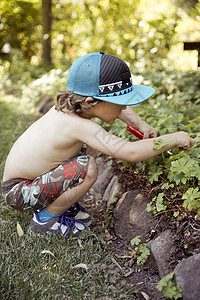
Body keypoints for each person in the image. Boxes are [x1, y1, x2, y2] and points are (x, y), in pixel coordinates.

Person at [2, 52, 195, 238]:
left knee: (90, 148)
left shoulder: (72, 107)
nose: (124, 108)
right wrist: (174, 138)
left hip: (30, 182)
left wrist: (140, 124)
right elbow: (131, 151)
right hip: (19, 192)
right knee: (88, 167)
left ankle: (58, 203)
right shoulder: (78, 125)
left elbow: (114, 109)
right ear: (91, 101)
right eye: (120, 103)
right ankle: (45, 220)